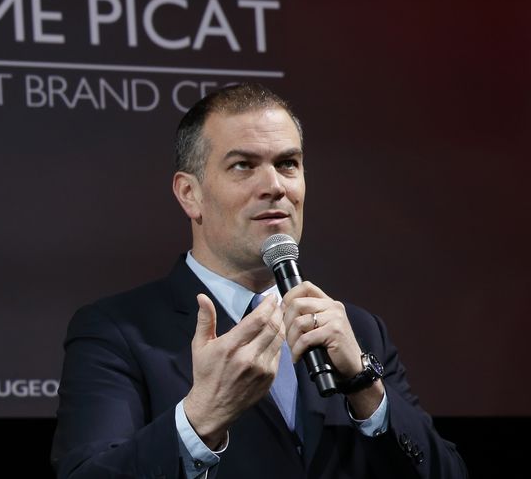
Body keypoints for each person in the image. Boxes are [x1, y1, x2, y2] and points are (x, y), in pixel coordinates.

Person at [50, 83, 467, 478]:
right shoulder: (115, 331)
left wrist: (365, 387)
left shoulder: (358, 331)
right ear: (189, 194)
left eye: (287, 164)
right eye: (243, 166)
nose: (274, 186)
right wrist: (201, 418)